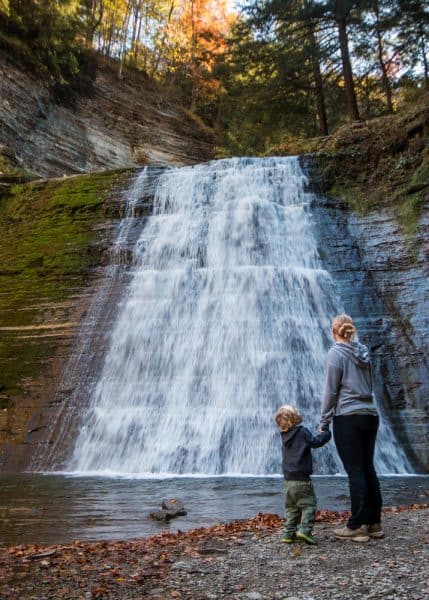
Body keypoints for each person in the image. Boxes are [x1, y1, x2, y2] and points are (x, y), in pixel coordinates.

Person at [320, 314, 384, 543]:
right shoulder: (364, 352)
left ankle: (357, 525)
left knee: (355, 470)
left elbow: (331, 390)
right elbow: (371, 384)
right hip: (370, 414)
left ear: (334, 331)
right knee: (368, 467)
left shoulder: (336, 353)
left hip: (348, 416)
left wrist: (323, 422)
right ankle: (374, 523)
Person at [275, 404, 331, 545]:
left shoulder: (284, 435)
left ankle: (288, 534)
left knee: (291, 508)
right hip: (301, 478)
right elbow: (316, 442)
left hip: (288, 479)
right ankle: (304, 531)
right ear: (296, 418)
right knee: (308, 505)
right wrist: (326, 433)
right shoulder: (302, 431)